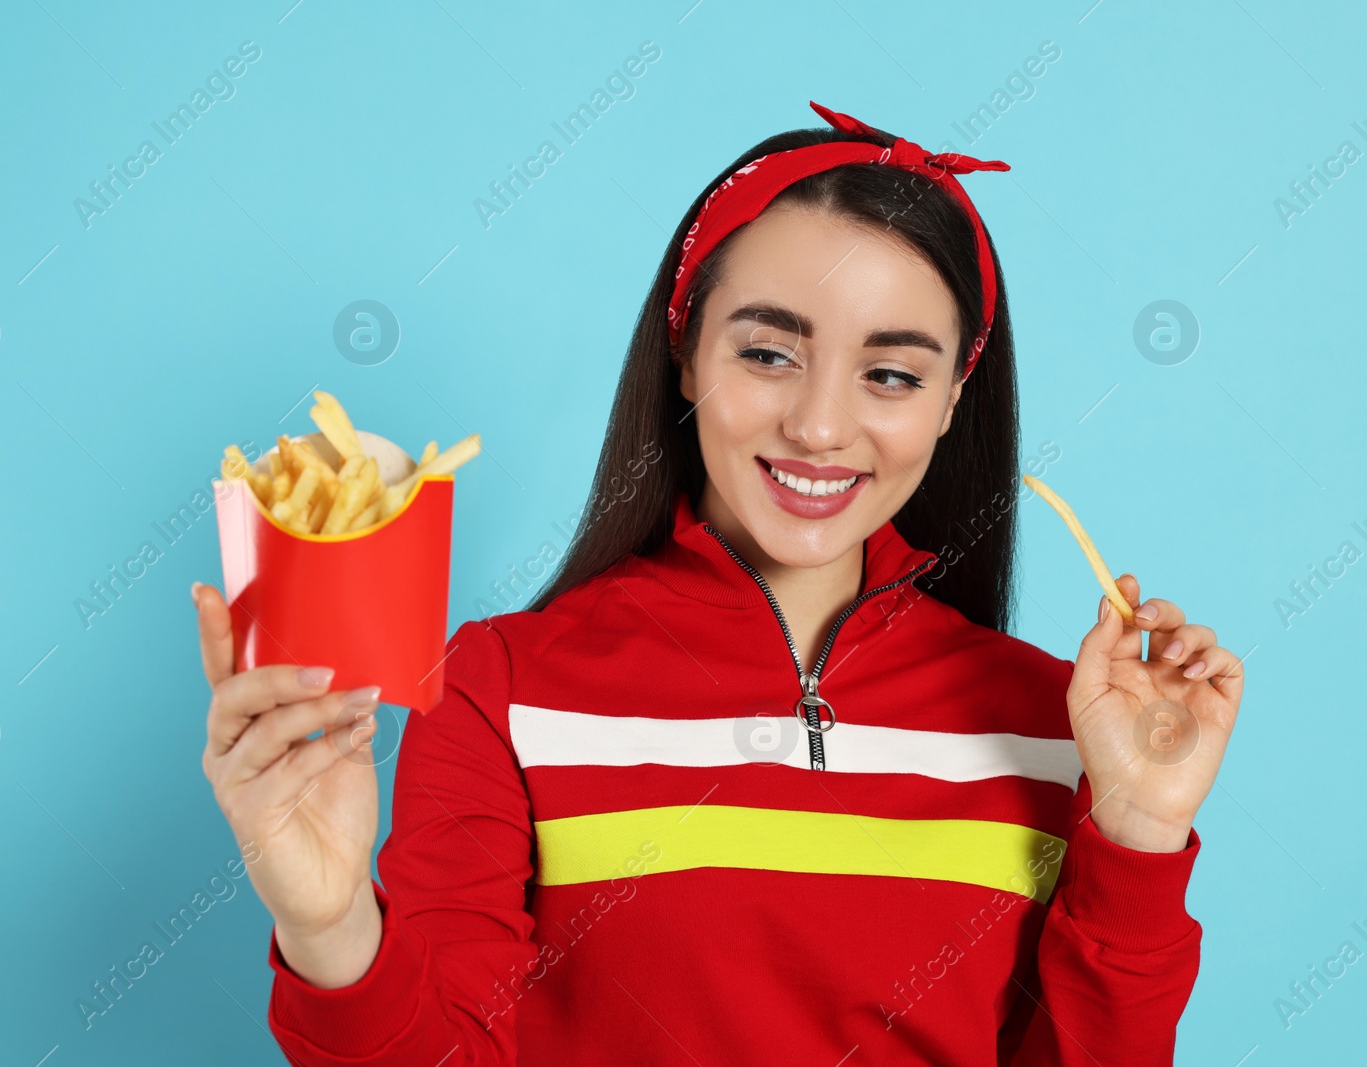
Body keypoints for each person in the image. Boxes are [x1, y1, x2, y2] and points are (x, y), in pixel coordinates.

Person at [192, 101, 1245, 1065]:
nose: (821, 425)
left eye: (890, 373)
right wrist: (330, 926)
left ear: (951, 398)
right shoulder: (498, 688)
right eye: (769, 353)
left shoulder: (1056, 721)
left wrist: (1139, 833)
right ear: (685, 349)